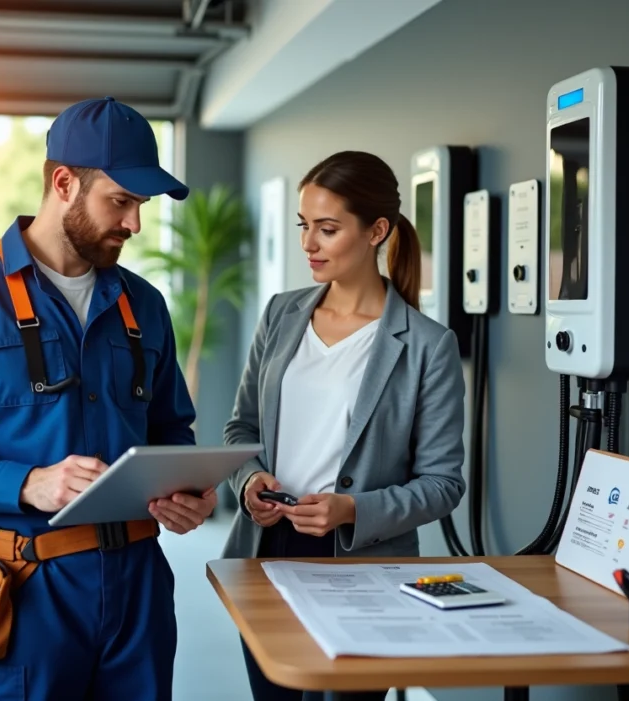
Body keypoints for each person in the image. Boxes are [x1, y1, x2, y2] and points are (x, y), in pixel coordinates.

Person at [0, 97, 217, 701]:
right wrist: (25, 482)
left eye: (140, 205)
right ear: (63, 183)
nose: (135, 224)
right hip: (22, 591)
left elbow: (171, 430)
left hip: (138, 593)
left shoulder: (146, 306)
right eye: (121, 201)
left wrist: (187, 491)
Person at [221, 151, 467, 701]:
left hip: (363, 563)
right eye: (304, 226)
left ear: (377, 230)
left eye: (327, 229)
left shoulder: (428, 345)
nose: (308, 244)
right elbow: (241, 430)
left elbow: (443, 483)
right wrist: (249, 483)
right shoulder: (281, 315)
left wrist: (352, 510)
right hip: (267, 552)